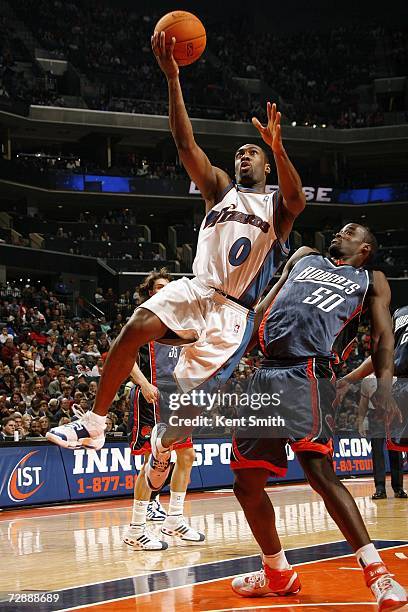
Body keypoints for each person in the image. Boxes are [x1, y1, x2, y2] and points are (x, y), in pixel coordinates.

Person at [46, 30, 307, 497]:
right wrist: (172, 79)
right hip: (197, 287)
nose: (243, 156)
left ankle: (164, 449)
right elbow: (185, 145)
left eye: (252, 154)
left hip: (231, 313)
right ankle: (94, 421)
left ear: (266, 167)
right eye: (240, 153)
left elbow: (297, 198)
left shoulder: (277, 209)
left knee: (181, 406)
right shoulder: (219, 190)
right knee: (135, 326)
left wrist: (278, 145)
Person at [230, 225, 407, 610]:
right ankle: (277, 572)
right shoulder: (306, 256)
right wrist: (228, 348)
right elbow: (266, 306)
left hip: (307, 371)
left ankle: (378, 574)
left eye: (350, 232)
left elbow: (382, 339)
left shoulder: (369, 279)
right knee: (245, 482)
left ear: (365, 248)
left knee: (318, 469)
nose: (340, 233)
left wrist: (385, 385)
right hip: (264, 372)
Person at [123, 270, 204, 551]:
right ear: (149, 292)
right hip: (153, 393)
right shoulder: (143, 318)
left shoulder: (182, 319)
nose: (162, 291)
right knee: (155, 461)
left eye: (166, 287)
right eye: (157, 287)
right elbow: (124, 356)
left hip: (178, 395)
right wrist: (144, 383)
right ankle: (136, 528)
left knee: (187, 455)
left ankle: (174, 519)